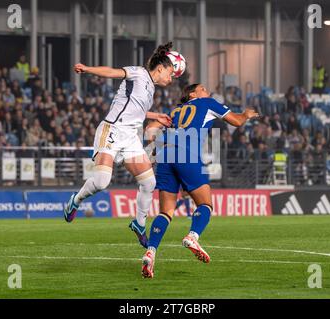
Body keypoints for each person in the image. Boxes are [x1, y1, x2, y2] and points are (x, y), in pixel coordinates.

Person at [63, 42, 176, 248]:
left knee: (149, 183)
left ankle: (139, 224)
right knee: (101, 182)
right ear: (159, 68)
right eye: (169, 73)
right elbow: (113, 72)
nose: (171, 78)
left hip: (131, 137)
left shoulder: (150, 88)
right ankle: (75, 201)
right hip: (112, 130)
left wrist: (156, 115)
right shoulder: (139, 73)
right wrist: (87, 69)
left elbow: (135, 111)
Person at [140, 83, 258, 278]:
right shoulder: (208, 103)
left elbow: (151, 128)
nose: (207, 90)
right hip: (187, 153)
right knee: (205, 204)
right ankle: (192, 236)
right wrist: (245, 114)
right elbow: (236, 122)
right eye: (202, 88)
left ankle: (150, 252)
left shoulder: (176, 111)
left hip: (165, 155)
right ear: (193, 94)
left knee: (165, 212)